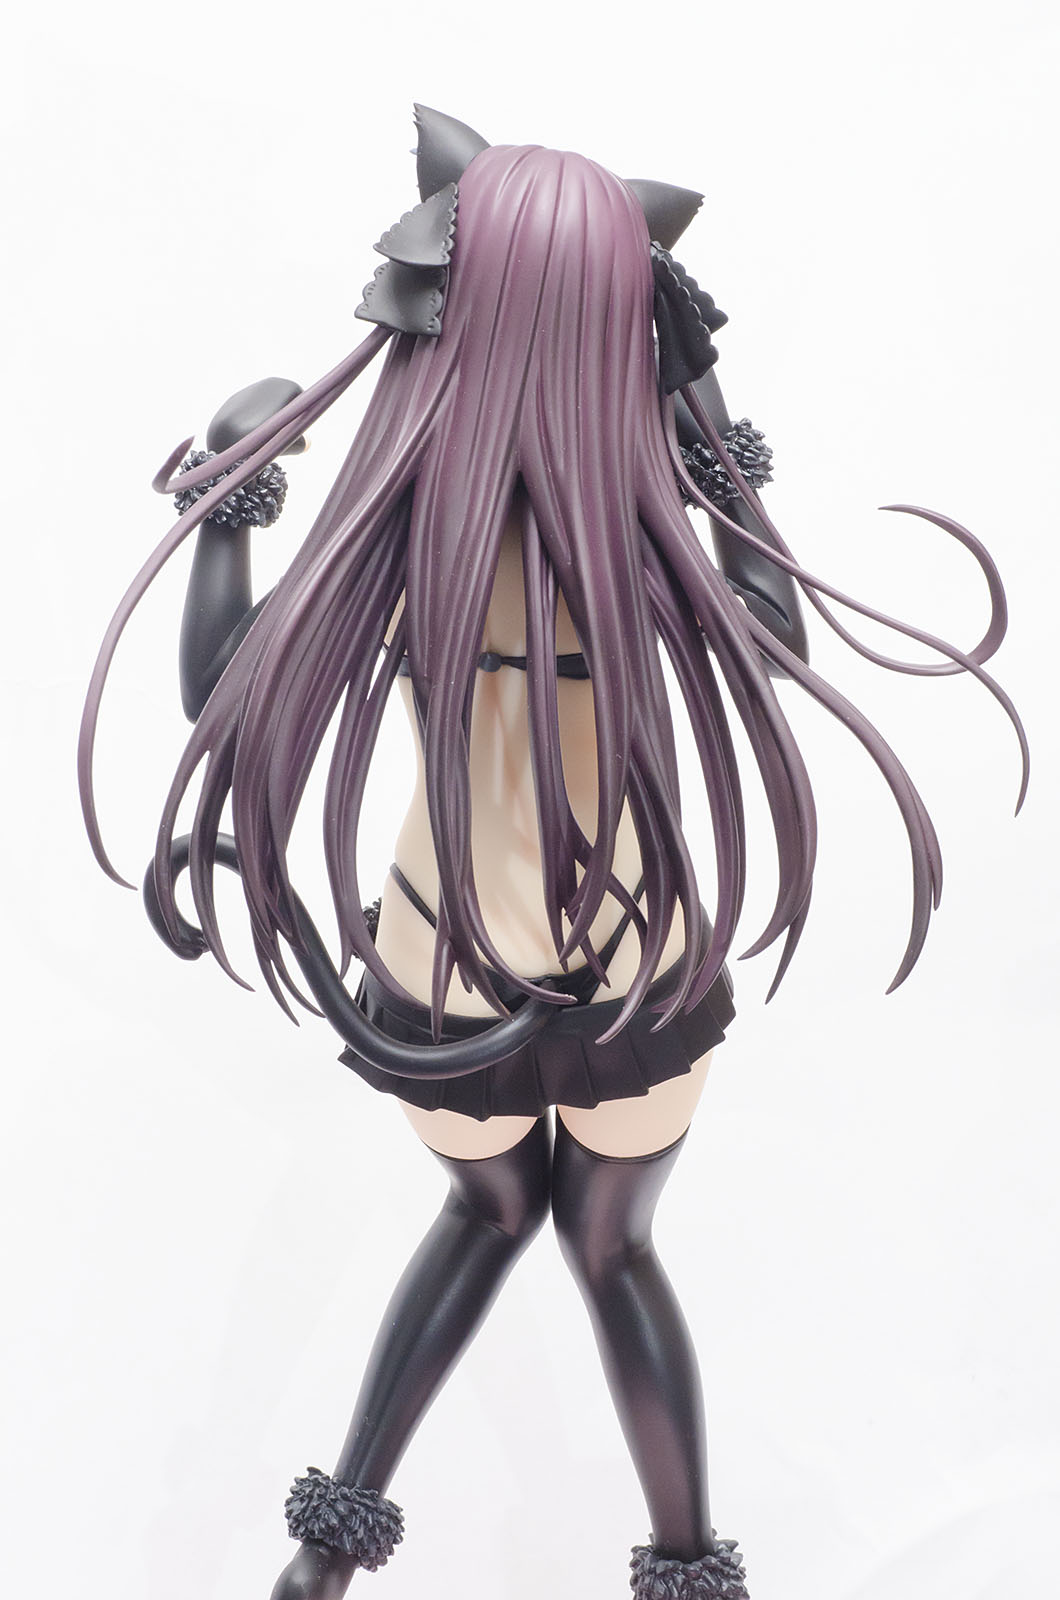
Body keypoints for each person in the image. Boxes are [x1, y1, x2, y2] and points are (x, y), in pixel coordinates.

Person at [78, 107, 1026, 1600]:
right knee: (612, 1250)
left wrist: (227, 497)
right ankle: (687, 1569)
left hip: (442, 958)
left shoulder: (411, 528)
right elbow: (775, 631)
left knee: (488, 1212)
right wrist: (707, 418)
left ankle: (323, 1565)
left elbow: (223, 693)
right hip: (628, 953)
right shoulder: (626, 539)